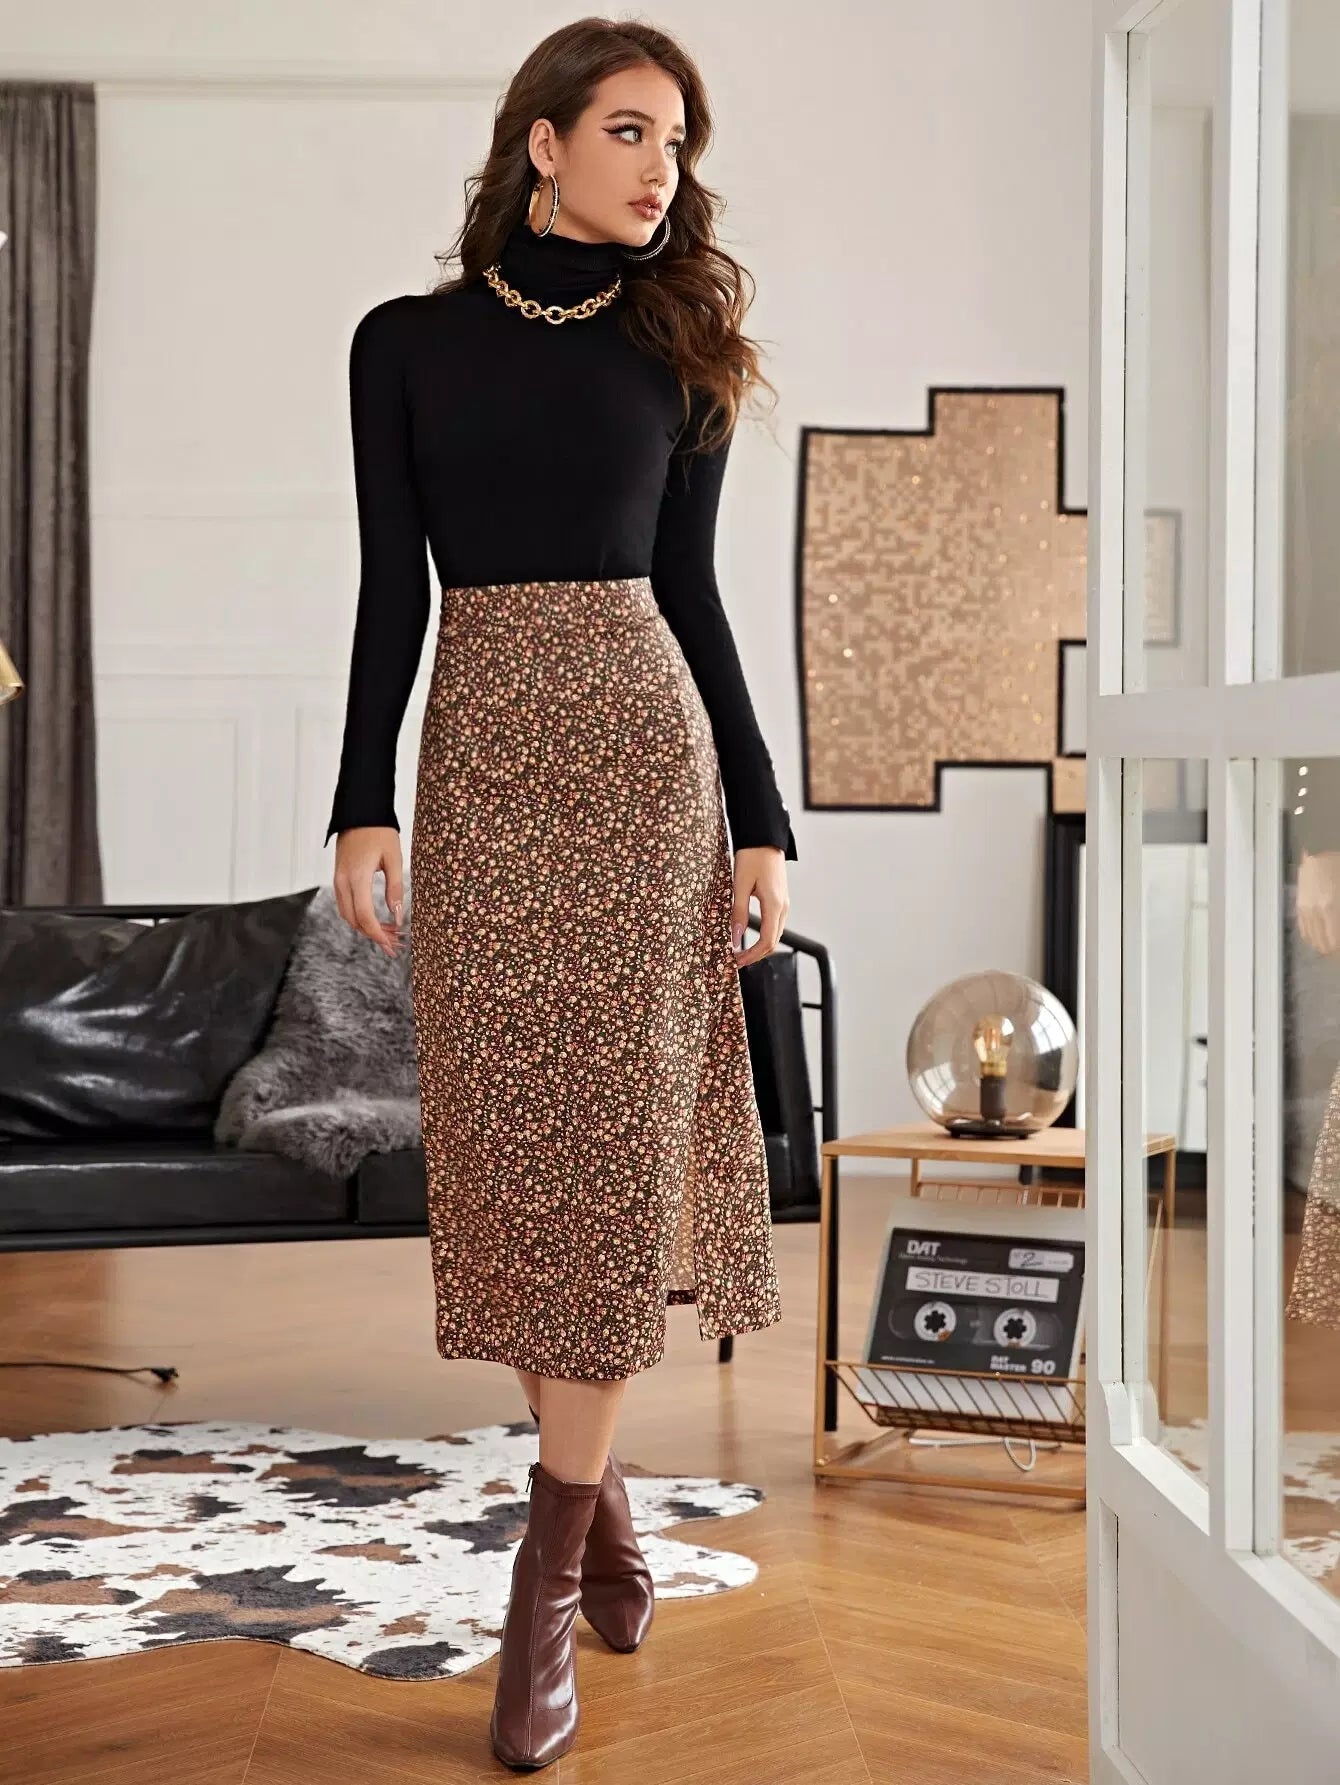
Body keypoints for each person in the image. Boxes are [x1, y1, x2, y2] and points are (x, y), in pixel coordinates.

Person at [324, 18, 794, 1771]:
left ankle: (536, 1588)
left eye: (677, 140)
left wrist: (761, 819)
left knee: (603, 1148)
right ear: (542, 142)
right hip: (483, 761)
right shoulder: (405, 345)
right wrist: (360, 796)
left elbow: (698, 597)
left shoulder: (683, 352)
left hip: (645, 764)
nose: (662, 167)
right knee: (523, 1143)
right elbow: (391, 588)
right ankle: (599, 1508)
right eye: (629, 131)